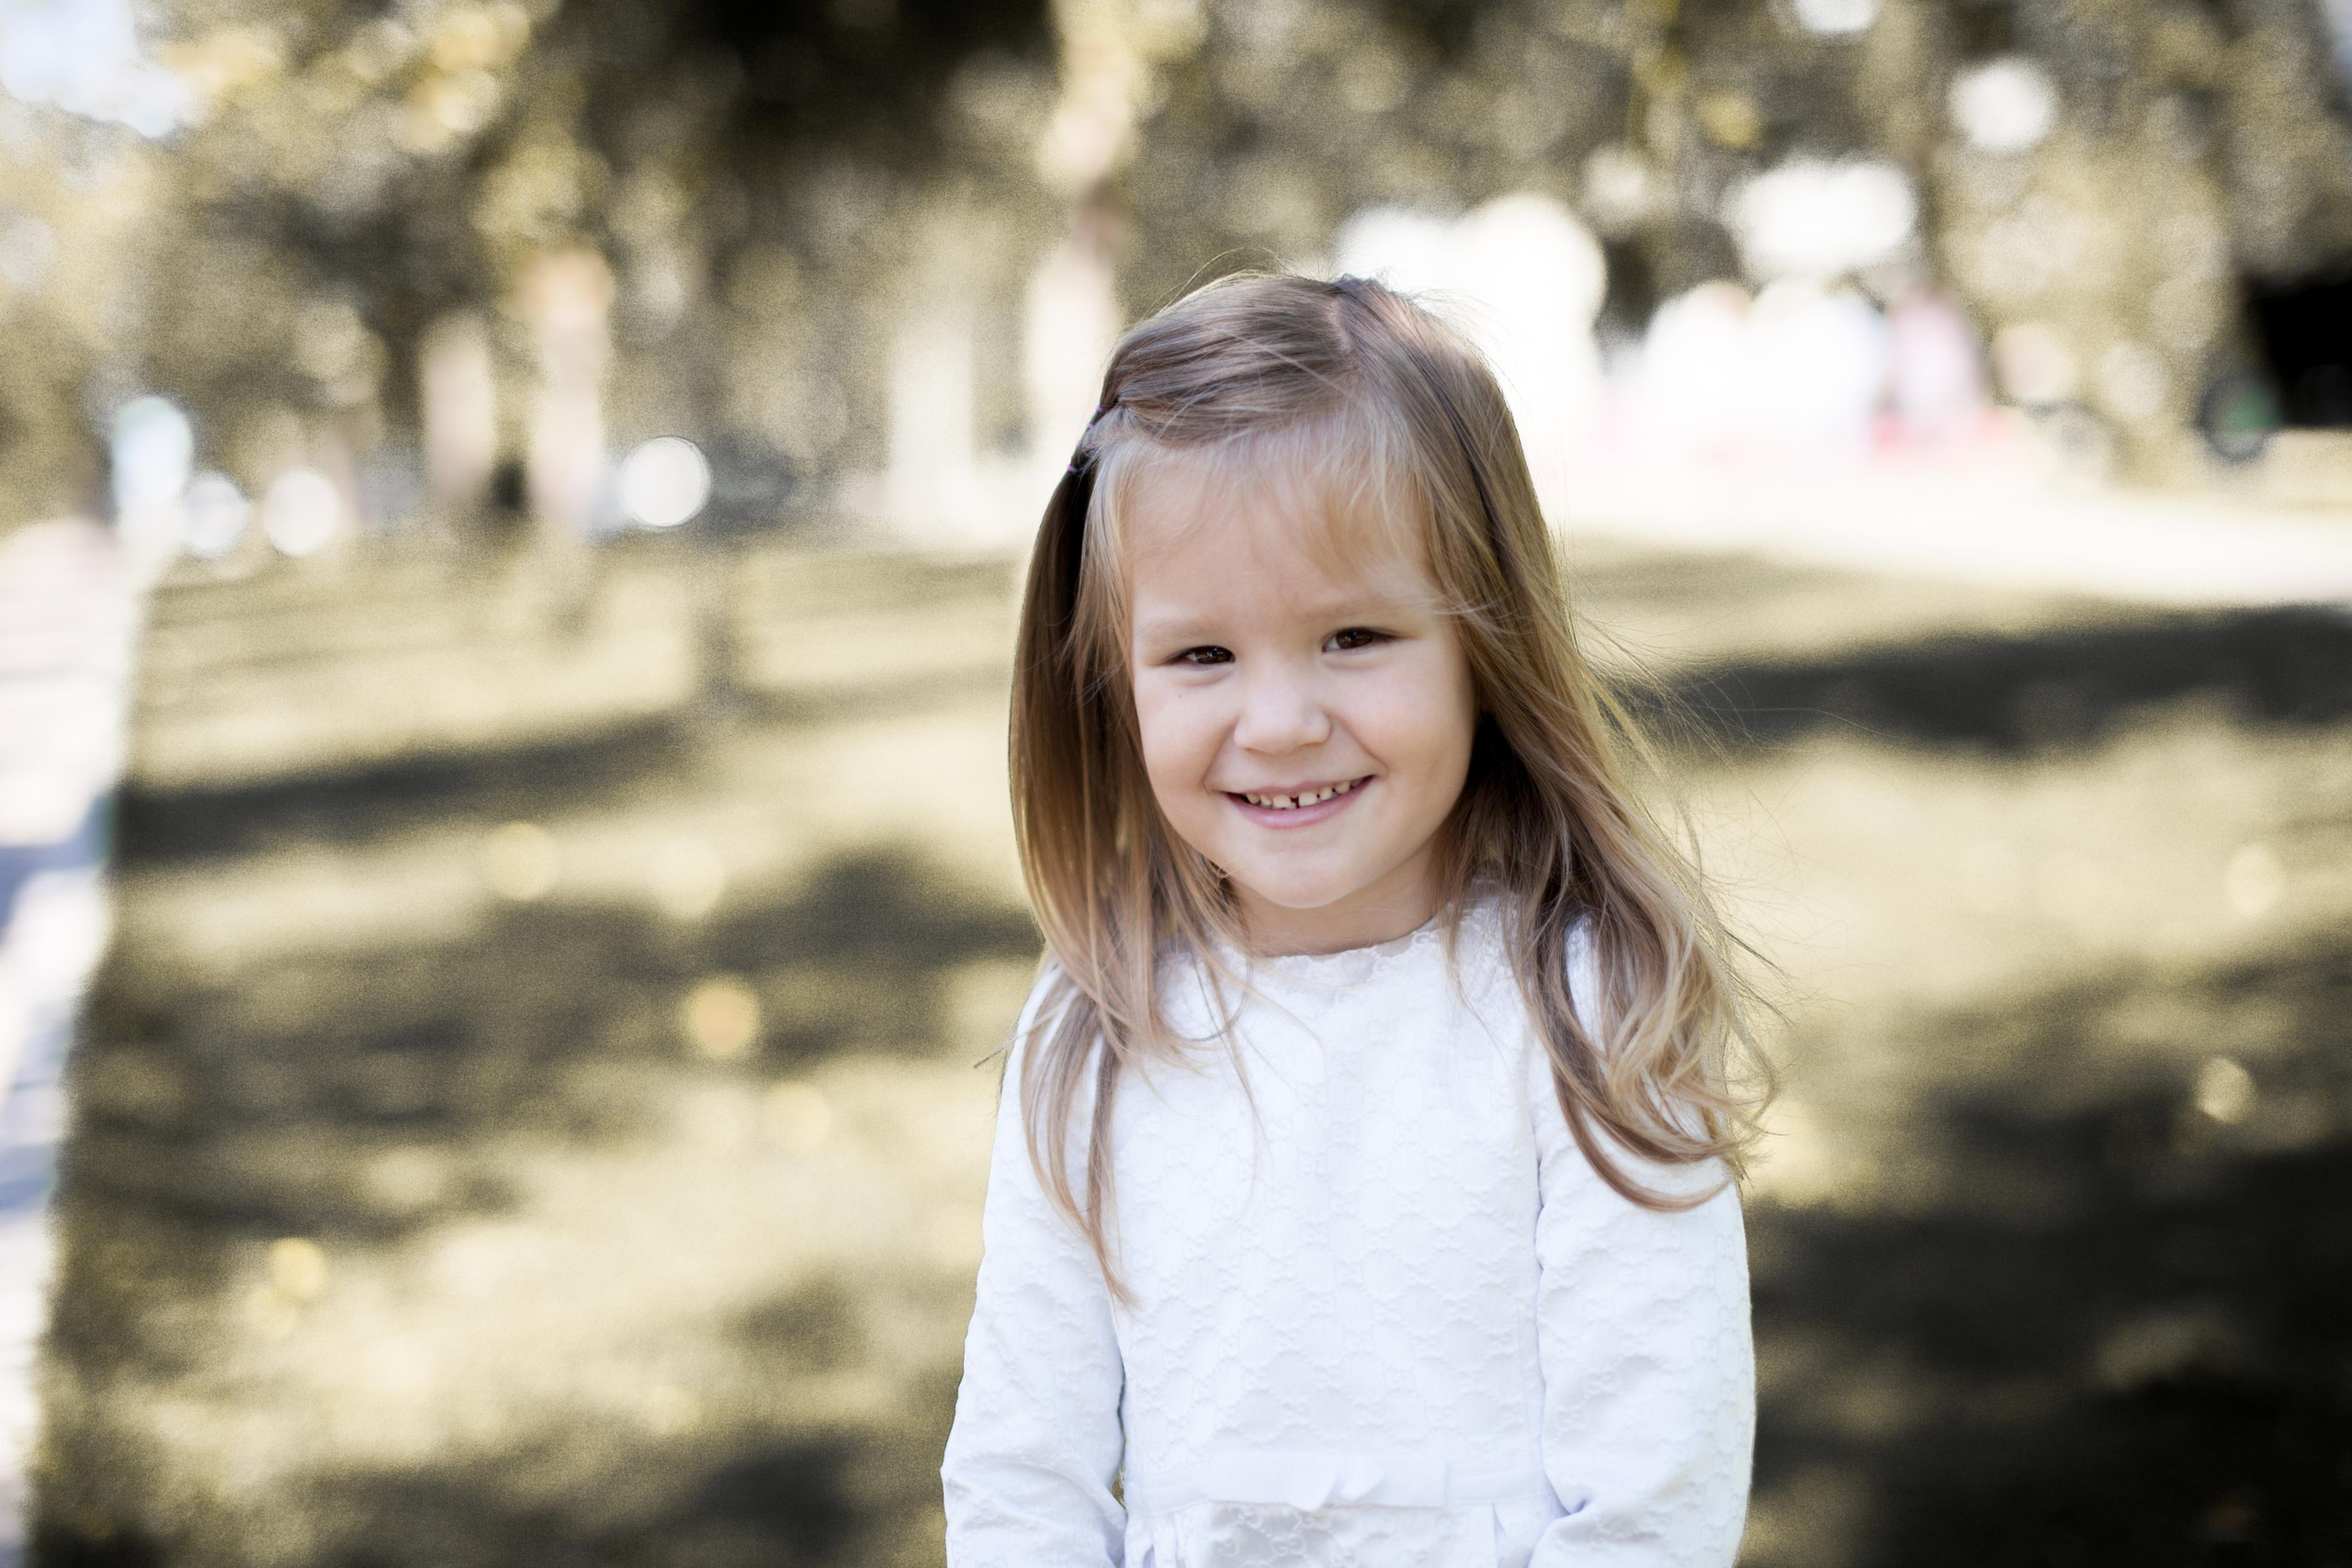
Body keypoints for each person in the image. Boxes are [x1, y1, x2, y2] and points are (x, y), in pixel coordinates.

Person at [942, 272, 1771, 1567]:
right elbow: (1018, 1473)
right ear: (1116, 681)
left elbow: (1652, 1505)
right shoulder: (1096, 1020)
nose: (1277, 722)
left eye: (1352, 636)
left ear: (1482, 646)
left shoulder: (1582, 1010)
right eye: (1202, 655)